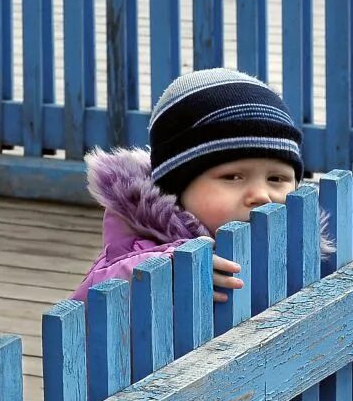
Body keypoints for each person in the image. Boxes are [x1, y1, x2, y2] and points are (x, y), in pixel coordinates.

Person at [76, 68, 308, 303]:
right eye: (233, 177)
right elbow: (89, 305)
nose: (261, 196)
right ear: (175, 190)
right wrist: (166, 273)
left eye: (276, 179)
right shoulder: (139, 247)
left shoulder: (301, 243)